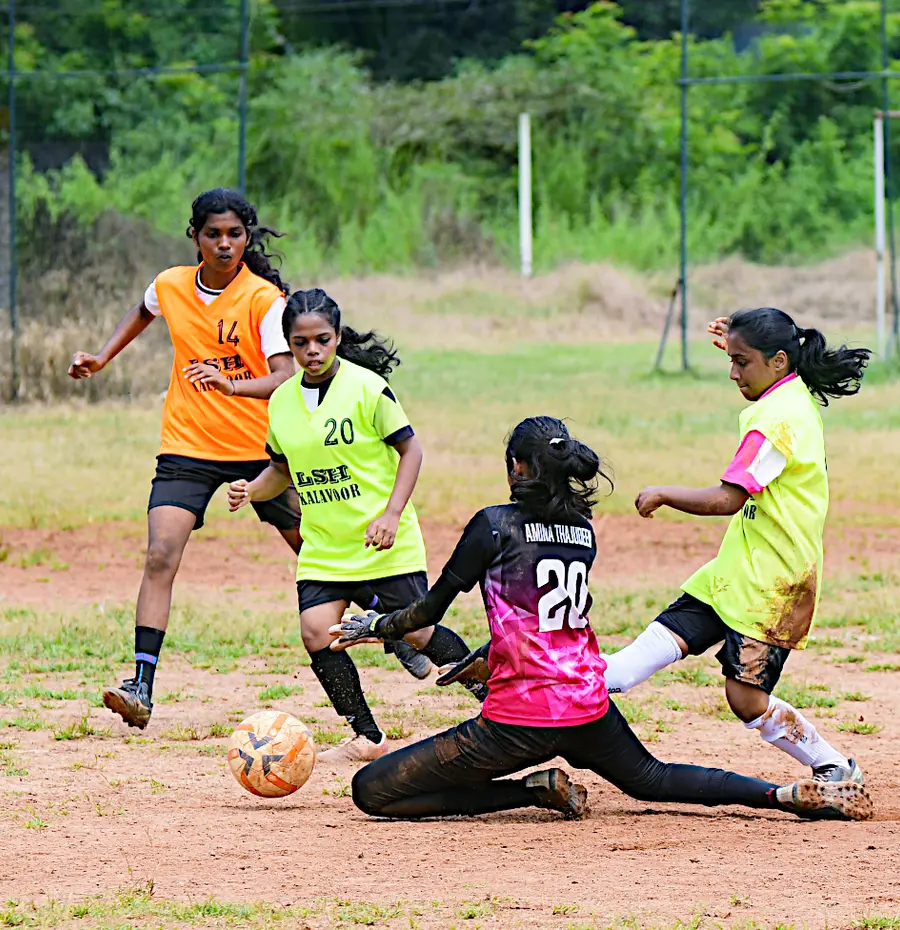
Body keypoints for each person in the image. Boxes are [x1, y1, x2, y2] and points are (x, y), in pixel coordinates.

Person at [330, 416, 872, 823]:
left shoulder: (493, 525)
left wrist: (374, 627)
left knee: (372, 791)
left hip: (518, 720)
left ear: (517, 468)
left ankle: (530, 790)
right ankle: (781, 795)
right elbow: (543, 622)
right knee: (654, 778)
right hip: (587, 706)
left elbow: (428, 611)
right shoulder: (583, 529)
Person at [601, 308, 872, 784]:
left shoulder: (777, 422)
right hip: (735, 571)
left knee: (745, 700)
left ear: (779, 361)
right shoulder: (786, 391)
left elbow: (728, 499)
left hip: (773, 584)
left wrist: (664, 493)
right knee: (627, 666)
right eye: (731, 359)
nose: (733, 373)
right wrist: (741, 340)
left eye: (741, 362)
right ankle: (530, 692)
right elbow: (772, 339)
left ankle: (834, 767)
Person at [68, 187, 304, 730]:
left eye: (235, 234)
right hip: (187, 446)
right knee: (160, 555)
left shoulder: (263, 298)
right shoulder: (171, 284)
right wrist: (102, 357)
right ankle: (140, 686)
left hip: (258, 449)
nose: (224, 244)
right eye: (213, 234)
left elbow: (284, 377)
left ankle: (395, 628)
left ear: (247, 237)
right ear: (194, 236)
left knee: (313, 549)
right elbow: (144, 308)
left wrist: (228, 384)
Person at [227, 288, 481, 764]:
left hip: (383, 542)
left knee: (418, 634)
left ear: (338, 336)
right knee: (316, 632)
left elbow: (411, 450)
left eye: (322, 340)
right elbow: (280, 469)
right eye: (300, 343)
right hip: (325, 546)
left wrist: (391, 513)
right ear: (288, 344)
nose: (312, 351)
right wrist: (251, 490)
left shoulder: (368, 388)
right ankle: (367, 736)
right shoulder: (281, 402)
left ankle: (498, 704)